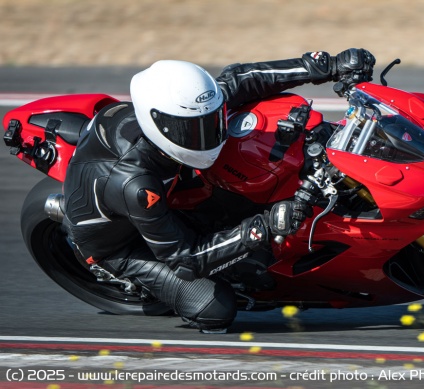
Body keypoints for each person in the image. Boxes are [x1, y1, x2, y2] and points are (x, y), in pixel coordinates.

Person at [62, 48, 376, 332]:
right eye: (195, 129)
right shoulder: (136, 186)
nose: (210, 132)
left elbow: (241, 80)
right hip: (124, 244)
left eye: (211, 121)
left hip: (168, 190)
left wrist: (325, 66)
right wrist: (263, 226)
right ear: (159, 124)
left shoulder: (183, 110)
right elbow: (184, 258)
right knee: (215, 309)